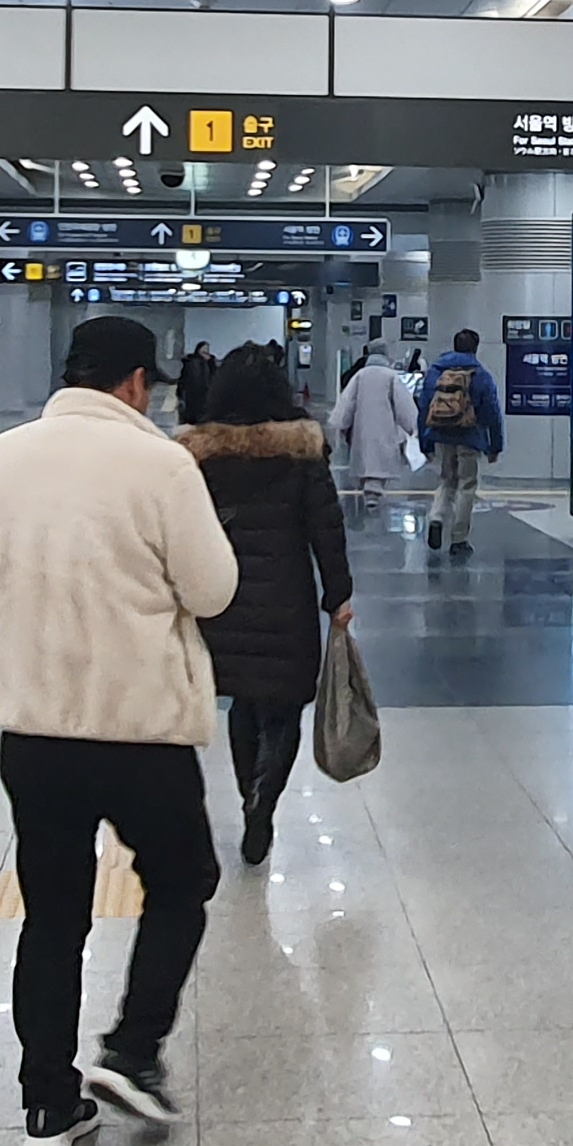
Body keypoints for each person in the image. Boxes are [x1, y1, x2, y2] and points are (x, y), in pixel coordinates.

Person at [0, 313, 240, 1146]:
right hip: (139, 728)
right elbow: (213, 589)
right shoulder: (161, 464)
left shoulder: (2, 456)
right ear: (136, 383)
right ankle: (132, 1049)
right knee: (182, 881)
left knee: (51, 916)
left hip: (34, 728)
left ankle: (48, 1106)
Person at [185, 347, 353, 868]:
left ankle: (248, 797)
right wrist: (339, 594)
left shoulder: (200, 454)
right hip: (287, 598)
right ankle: (264, 802)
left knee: (243, 702)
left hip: (223, 599)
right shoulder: (302, 451)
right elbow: (326, 526)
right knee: (282, 709)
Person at [412, 327, 502, 552]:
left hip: (442, 435)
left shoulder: (436, 371)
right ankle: (459, 538)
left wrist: (425, 442)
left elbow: (424, 406)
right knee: (466, 485)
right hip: (469, 437)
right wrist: (495, 445)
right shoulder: (480, 374)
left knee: (446, 480)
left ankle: (436, 517)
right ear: (475, 348)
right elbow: (491, 412)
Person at [330, 341, 414, 497]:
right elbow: (404, 405)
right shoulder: (391, 376)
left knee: (364, 457)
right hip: (386, 426)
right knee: (381, 457)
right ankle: (375, 488)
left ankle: (368, 486)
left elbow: (347, 401)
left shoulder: (360, 375)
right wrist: (413, 426)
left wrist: (341, 423)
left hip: (361, 426)